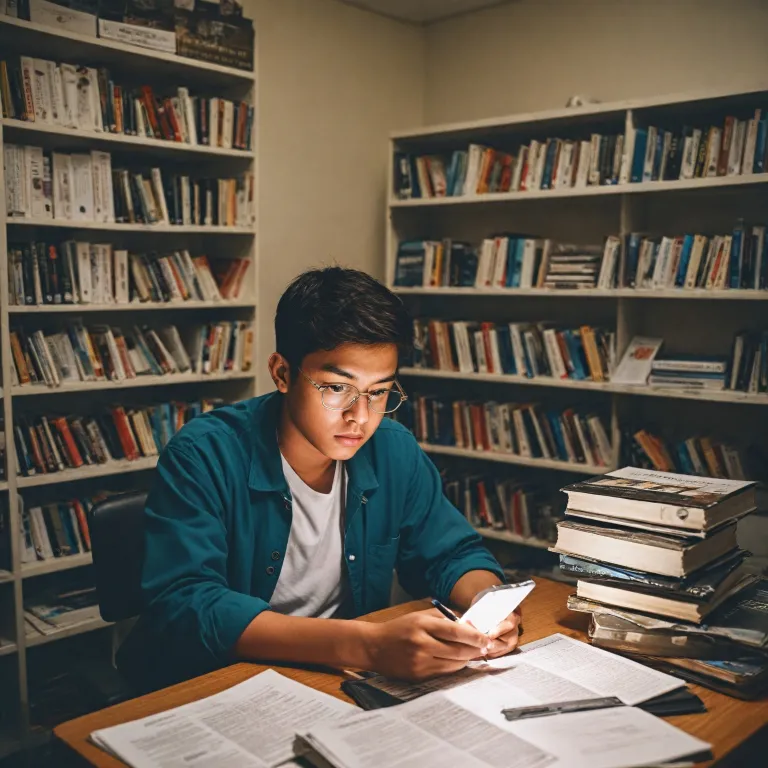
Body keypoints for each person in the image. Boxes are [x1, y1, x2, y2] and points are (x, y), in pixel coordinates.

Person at [118, 267, 521, 689]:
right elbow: (189, 606)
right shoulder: (204, 453)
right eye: (335, 388)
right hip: (217, 679)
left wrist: (488, 606)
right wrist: (368, 646)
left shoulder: (393, 448)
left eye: (379, 391)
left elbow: (452, 554)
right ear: (282, 374)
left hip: (332, 676)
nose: (360, 417)